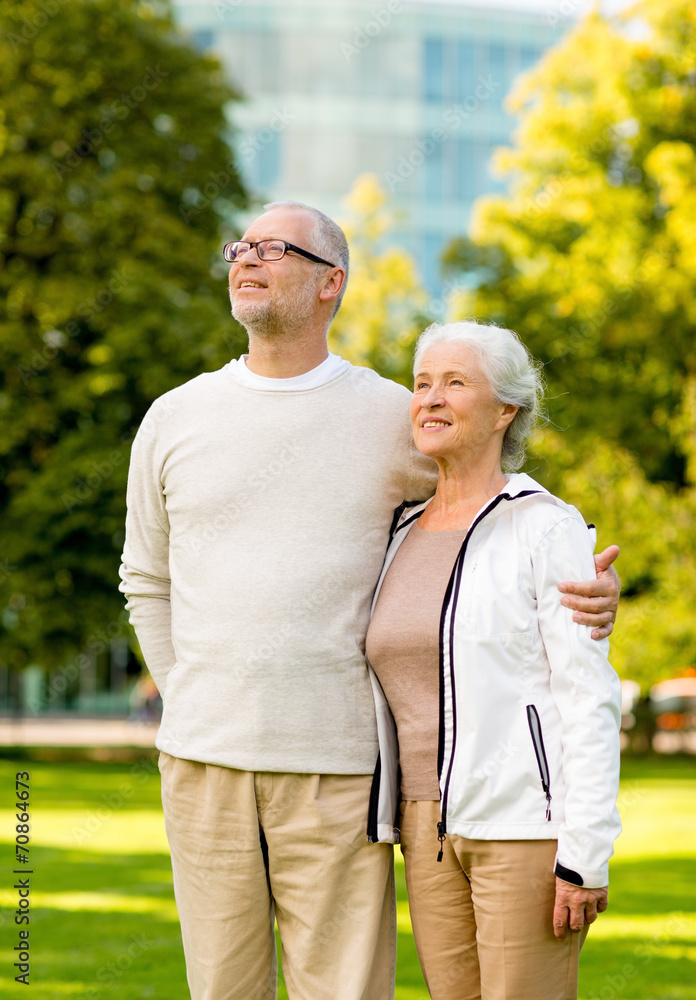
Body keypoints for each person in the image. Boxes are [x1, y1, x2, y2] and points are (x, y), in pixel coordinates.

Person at [118, 201, 620, 1000]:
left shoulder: (393, 415)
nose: (248, 257)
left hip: (342, 770)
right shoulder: (174, 417)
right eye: (241, 245)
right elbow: (144, 578)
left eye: (274, 248)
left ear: (331, 284)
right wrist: (192, 693)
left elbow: (490, 490)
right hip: (202, 761)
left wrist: (587, 569)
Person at [365, 320, 622, 1000]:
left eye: (455, 382)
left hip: (522, 825)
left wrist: (585, 854)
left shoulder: (545, 526)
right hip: (424, 826)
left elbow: (587, 694)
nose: (430, 399)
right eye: (422, 384)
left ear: (506, 409)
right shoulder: (395, 531)